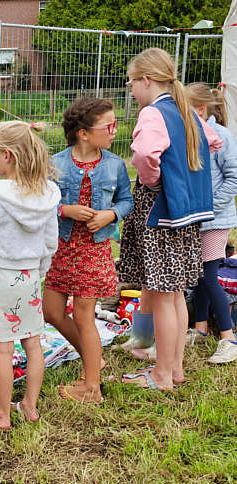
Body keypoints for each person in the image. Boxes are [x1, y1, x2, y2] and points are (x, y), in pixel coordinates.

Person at [118, 48, 222, 391]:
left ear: (147, 80)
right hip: (186, 213)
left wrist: (152, 180)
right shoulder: (185, 110)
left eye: (132, 82)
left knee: (163, 294)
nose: (131, 90)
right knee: (173, 293)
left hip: (160, 212)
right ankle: (173, 367)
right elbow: (213, 141)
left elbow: (145, 154)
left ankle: (161, 375)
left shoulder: (153, 113)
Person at [0, 121, 60, 430]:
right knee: (33, 342)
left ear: (7, 155)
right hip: (29, 276)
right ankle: (29, 406)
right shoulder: (47, 193)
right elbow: (50, 242)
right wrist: (39, 271)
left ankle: (2, 415)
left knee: (3, 349)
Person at [43, 98, 133, 403]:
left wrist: (110, 214)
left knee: (83, 316)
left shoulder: (114, 164)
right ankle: (93, 358)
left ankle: (92, 388)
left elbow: (126, 200)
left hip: (93, 251)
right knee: (51, 312)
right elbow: (41, 203)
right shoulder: (55, 164)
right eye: (109, 125)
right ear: (83, 133)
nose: (114, 131)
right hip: (61, 248)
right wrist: (65, 210)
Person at [185, 83, 237, 364]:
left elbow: (234, 178)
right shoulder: (191, 134)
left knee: (208, 275)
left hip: (216, 219)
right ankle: (201, 329)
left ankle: (229, 338)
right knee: (200, 275)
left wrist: (208, 206)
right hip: (198, 219)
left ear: (201, 109)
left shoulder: (222, 136)